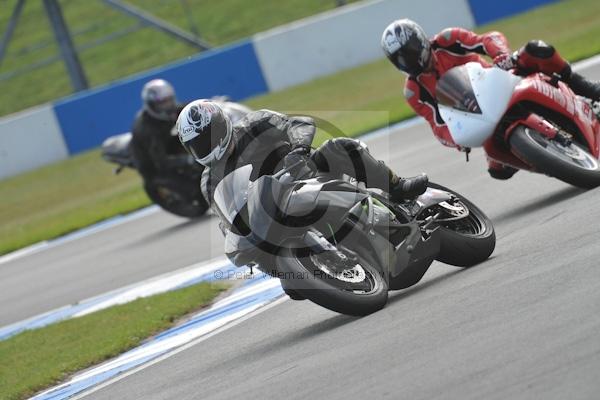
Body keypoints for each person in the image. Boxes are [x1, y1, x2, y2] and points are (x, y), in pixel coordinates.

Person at [381, 19, 600, 180]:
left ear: (419, 41)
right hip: (480, 116)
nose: (406, 61)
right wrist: (457, 139)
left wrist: (500, 55)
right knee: (497, 168)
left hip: (500, 81)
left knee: (536, 50)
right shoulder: (414, 91)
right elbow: (438, 126)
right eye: (399, 59)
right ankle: (558, 161)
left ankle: (585, 88)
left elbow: (487, 39)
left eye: (408, 52)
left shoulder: (448, 39)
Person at [130, 79, 202, 203]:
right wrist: (187, 160)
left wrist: (212, 105)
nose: (168, 106)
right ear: (151, 104)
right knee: (195, 190)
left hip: (167, 144)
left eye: (169, 101)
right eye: (163, 103)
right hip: (152, 163)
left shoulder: (172, 111)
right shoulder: (148, 129)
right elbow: (160, 161)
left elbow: (189, 108)